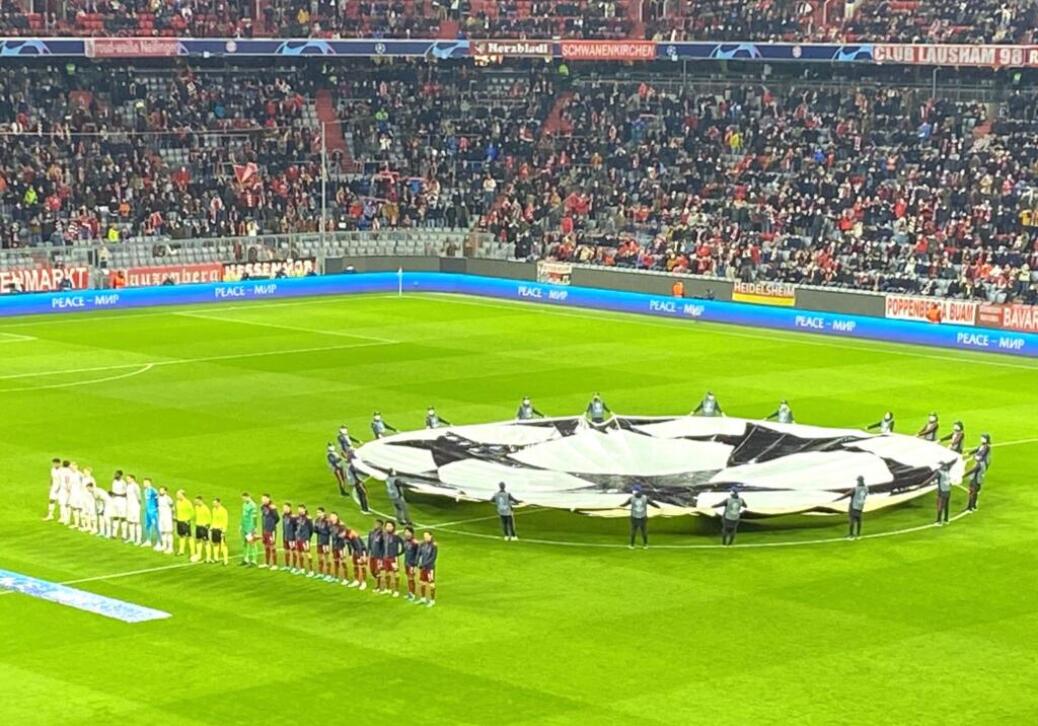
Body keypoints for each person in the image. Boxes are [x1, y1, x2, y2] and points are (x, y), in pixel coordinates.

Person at [966, 434, 991, 512]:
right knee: (974, 487)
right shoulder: (982, 446)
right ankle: (973, 505)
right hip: (979, 465)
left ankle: (970, 506)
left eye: (983, 438)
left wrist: (973, 457)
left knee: (973, 487)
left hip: (980, 466)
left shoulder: (987, 447)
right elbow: (976, 450)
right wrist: (969, 453)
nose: (981, 439)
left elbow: (981, 455)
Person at [381, 521, 404, 597]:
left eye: (390, 526)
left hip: (393, 558)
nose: (389, 527)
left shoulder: (396, 536)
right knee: (387, 573)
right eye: (387, 526)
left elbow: (403, 544)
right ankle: (388, 589)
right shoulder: (384, 535)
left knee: (396, 574)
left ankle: (397, 590)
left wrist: (399, 553)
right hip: (385, 557)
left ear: (393, 527)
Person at [416, 531, 438, 607]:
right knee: (422, 583)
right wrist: (417, 561)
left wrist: (424, 564)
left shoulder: (434, 545)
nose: (425, 537)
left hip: (430, 568)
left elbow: (433, 558)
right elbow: (419, 553)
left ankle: (432, 600)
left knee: (431, 584)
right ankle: (423, 598)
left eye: (427, 536)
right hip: (423, 567)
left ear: (431, 536)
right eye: (424, 536)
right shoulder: (423, 544)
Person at [260, 494, 280, 569]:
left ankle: (275, 565)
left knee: (272, 546)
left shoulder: (272, 507)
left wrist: (271, 525)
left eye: (264, 499)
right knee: (266, 546)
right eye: (262, 499)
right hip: (264, 530)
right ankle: (267, 563)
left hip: (271, 530)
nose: (263, 500)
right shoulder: (262, 507)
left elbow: (277, 518)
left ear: (268, 499)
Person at [192, 495, 212, 563]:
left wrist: (207, 526)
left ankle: (208, 557)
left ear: (201, 501)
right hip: (198, 526)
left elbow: (209, 518)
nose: (196, 503)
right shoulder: (196, 507)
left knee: (206, 542)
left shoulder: (205, 508)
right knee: (198, 541)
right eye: (195, 502)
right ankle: (199, 555)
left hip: (204, 527)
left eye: (197, 501)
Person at [313, 507, 332, 580]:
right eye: (317, 512)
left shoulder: (327, 521)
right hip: (319, 540)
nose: (318, 514)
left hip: (325, 541)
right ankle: (321, 573)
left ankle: (328, 574)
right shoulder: (317, 520)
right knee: (320, 557)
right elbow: (315, 530)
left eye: (319, 512)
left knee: (327, 557)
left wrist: (322, 532)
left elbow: (330, 531)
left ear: (323, 513)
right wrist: (316, 528)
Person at [294, 505, 313, 576]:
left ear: (304, 509)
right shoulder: (298, 517)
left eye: (301, 509)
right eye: (299, 509)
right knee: (299, 553)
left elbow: (311, 529)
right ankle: (302, 569)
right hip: (298, 538)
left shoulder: (308, 518)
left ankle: (311, 571)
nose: (300, 510)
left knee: (307, 553)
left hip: (305, 539)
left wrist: (308, 537)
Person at [175, 489, 195, 557]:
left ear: (182, 495)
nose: (177, 496)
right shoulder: (177, 502)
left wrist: (188, 519)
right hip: (179, 521)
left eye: (178, 495)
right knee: (181, 536)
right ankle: (181, 551)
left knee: (189, 536)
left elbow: (192, 512)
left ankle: (192, 552)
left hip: (186, 522)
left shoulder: (187, 502)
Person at [347, 526, 368, 590]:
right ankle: (356, 580)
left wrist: (360, 557)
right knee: (355, 566)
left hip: (362, 552)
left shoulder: (355, 538)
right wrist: (350, 554)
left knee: (362, 566)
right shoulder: (348, 538)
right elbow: (349, 545)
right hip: (356, 551)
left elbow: (359, 547)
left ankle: (364, 583)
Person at [402, 526, 420, 601]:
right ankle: (410, 592)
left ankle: (412, 594)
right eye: (405, 532)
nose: (406, 534)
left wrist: (415, 563)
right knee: (408, 578)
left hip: (411, 564)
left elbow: (418, 554)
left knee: (411, 578)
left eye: (408, 532)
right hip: (406, 563)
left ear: (412, 533)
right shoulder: (405, 541)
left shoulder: (415, 543)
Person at [109, 469, 127, 541]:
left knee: (123, 518)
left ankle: (124, 535)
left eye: (117, 474)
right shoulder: (114, 482)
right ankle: (114, 534)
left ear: (121, 475)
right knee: (115, 517)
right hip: (115, 501)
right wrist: (111, 494)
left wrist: (116, 494)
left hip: (122, 502)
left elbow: (125, 494)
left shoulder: (123, 483)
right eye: (115, 474)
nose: (115, 475)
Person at [367, 519, 385, 592]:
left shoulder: (382, 535)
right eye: (375, 523)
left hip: (379, 556)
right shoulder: (371, 533)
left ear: (381, 526)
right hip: (372, 555)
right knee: (372, 570)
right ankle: (378, 580)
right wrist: (367, 553)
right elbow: (369, 544)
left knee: (377, 571)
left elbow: (383, 547)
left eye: (377, 524)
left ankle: (377, 586)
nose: (375, 525)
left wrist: (382, 557)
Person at [330, 513, 348, 584]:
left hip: (340, 545)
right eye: (331, 516)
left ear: (337, 517)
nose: (332, 518)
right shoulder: (331, 525)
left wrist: (337, 536)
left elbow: (343, 535)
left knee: (343, 561)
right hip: (334, 545)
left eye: (333, 516)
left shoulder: (341, 525)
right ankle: (336, 577)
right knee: (335, 561)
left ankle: (346, 578)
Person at [211, 497, 230, 565]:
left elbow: (225, 521)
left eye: (215, 503)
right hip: (214, 529)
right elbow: (213, 519)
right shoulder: (213, 510)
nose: (214, 504)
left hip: (220, 530)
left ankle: (226, 560)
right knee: (215, 543)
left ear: (219, 503)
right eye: (213, 503)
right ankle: (216, 558)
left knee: (223, 545)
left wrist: (223, 531)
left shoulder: (223, 511)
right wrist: (211, 527)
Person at [142, 478, 159, 548]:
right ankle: (148, 541)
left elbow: (157, 500)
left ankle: (159, 542)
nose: (144, 484)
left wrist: (156, 509)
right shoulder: (145, 490)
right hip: (147, 511)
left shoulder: (153, 490)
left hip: (153, 511)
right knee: (147, 525)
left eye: (145, 482)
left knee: (156, 526)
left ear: (149, 483)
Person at [125, 474, 142, 545]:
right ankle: (132, 538)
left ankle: (138, 540)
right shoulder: (128, 486)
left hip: (135, 506)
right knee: (130, 522)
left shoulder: (135, 486)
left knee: (137, 522)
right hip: (129, 506)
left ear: (132, 479)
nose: (127, 480)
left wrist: (138, 504)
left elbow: (139, 496)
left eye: (128, 479)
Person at [934, 461, 953, 525]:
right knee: (946, 506)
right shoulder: (947, 471)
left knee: (940, 505)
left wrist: (921, 485)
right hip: (948, 491)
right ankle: (946, 519)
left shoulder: (939, 473)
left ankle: (939, 521)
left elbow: (931, 479)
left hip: (942, 491)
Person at [157, 486, 175, 554]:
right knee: (162, 531)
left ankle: (170, 547)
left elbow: (172, 507)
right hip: (161, 517)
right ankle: (164, 545)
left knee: (168, 532)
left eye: (162, 490)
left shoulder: (168, 498)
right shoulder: (158, 498)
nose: (160, 491)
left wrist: (173, 516)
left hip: (167, 517)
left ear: (165, 491)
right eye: (160, 490)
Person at [281, 502, 297, 571]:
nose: (284, 509)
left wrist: (294, 536)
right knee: (286, 551)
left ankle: (294, 567)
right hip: (285, 536)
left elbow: (297, 528)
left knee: (293, 551)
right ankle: (287, 566)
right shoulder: (284, 516)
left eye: (286, 508)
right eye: (283, 508)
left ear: (289, 508)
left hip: (292, 537)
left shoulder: (293, 517)